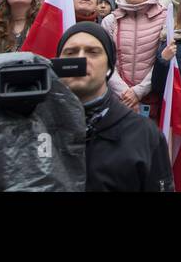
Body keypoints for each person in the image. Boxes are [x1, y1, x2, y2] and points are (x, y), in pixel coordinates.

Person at [56, 22, 172, 191]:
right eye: (70, 52)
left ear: (109, 66)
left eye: (92, 52)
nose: (80, 59)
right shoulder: (38, 127)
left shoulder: (144, 134)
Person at [100, 0, 167, 112]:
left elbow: (164, 59)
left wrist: (139, 91)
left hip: (153, 99)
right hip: (119, 100)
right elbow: (105, 62)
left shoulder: (164, 17)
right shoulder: (110, 21)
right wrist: (125, 93)